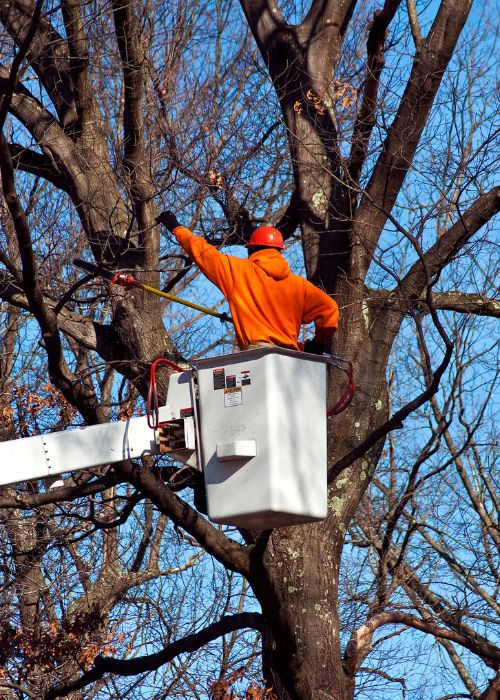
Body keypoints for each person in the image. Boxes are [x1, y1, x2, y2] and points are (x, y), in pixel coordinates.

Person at [156, 211, 339, 353]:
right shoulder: (299, 285)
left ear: (252, 249)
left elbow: (203, 253)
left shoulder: (238, 271)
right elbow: (330, 309)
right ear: (278, 251)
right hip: (290, 360)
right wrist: (318, 342)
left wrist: (176, 227)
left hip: (257, 356)